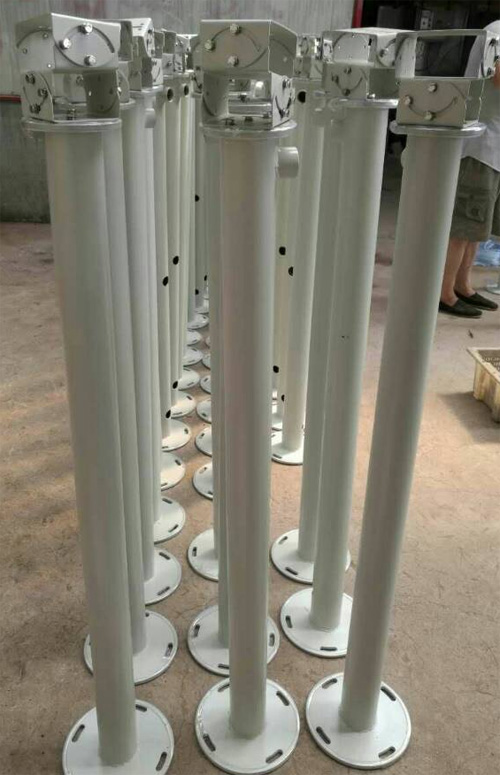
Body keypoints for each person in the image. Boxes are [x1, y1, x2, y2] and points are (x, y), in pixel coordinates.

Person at [439, 21, 500, 318]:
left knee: (476, 228)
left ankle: (463, 285)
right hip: (481, 146)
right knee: (463, 225)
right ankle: (444, 292)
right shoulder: (497, 32)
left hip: (494, 148)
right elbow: (497, 77)